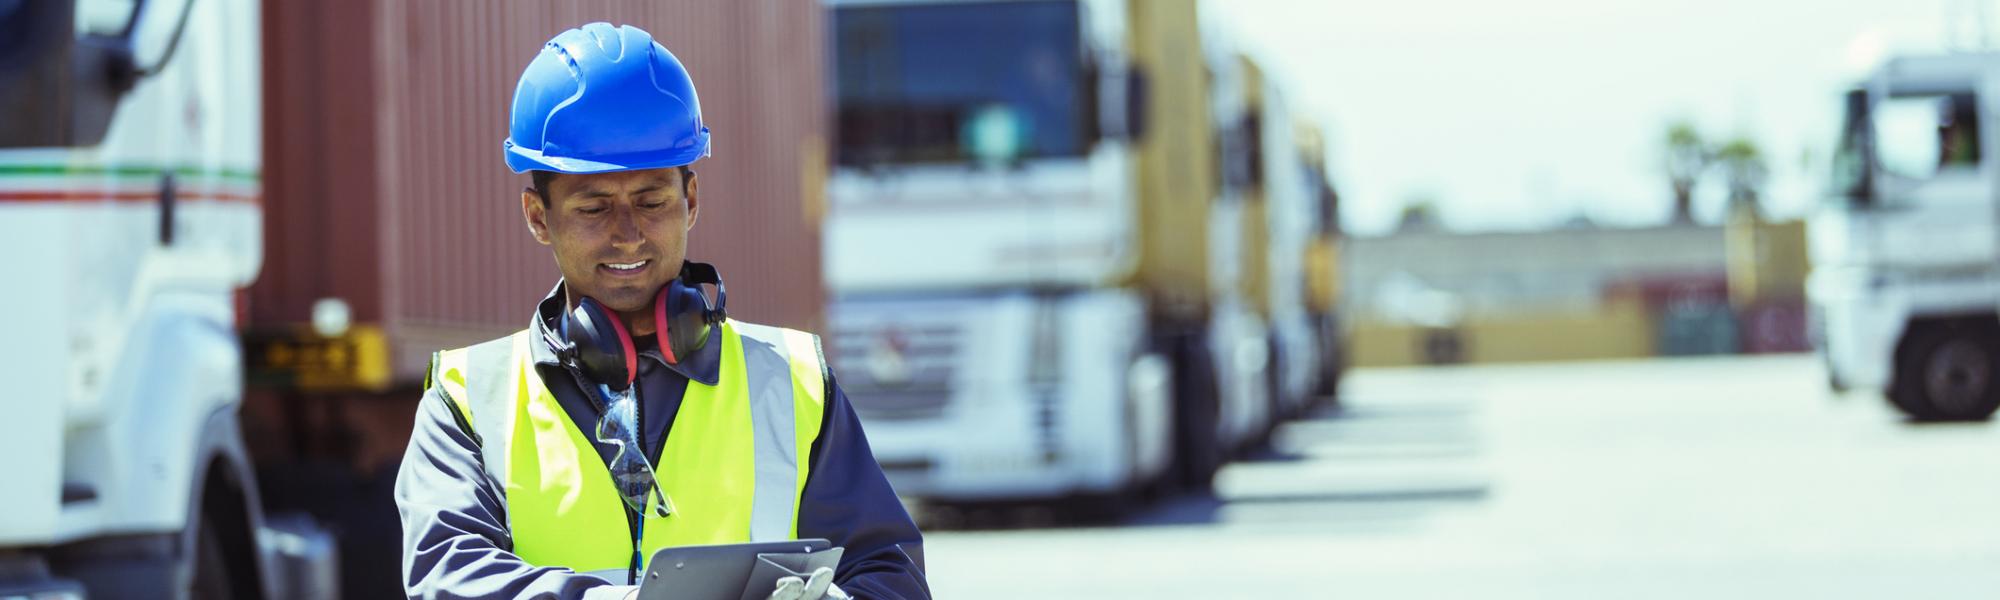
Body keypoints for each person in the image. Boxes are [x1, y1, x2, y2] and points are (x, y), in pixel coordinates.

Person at [393, 22, 930, 600]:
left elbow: (889, 574)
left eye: (651, 202)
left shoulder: (794, 383)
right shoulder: (469, 399)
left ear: (690, 201)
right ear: (537, 216)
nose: (628, 236)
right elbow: (448, 581)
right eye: (593, 208)